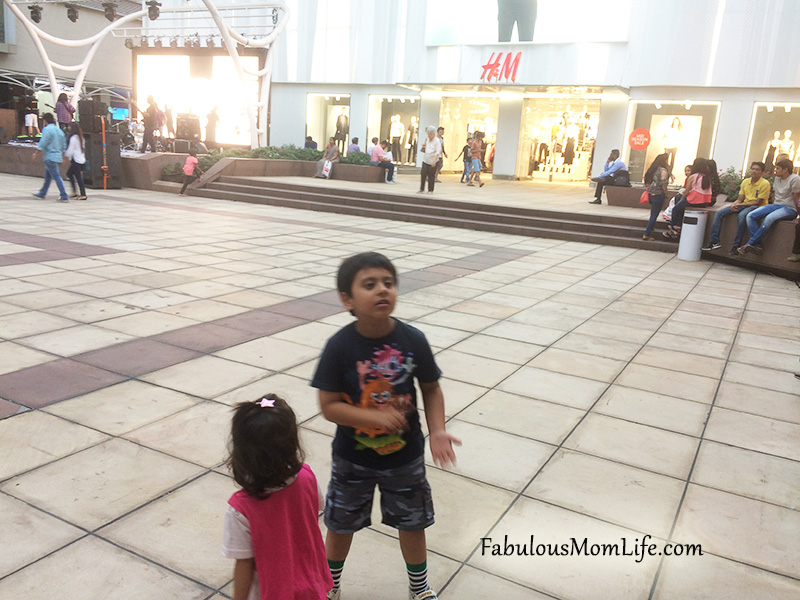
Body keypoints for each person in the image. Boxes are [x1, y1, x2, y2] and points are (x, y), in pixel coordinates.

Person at [312, 252, 460, 600]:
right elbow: (328, 406)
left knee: (413, 524)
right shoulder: (339, 346)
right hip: (352, 458)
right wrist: (373, 418)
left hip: (405, 457)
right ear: (347, 299)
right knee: (340, 524)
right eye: (369, 285)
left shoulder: (413, 340)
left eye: (388, 283)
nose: (382, 290)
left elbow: (431, 388)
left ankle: (419, 588)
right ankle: (329, 586)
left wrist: (437, 430)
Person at [222, 394, 332, 600]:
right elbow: (315, 508)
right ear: (293, 445)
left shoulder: (240, 509)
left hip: (273, 592)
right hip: (311, 584)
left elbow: (244, 563)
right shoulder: (307, 477)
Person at [702, 161, 769, 255]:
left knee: (742, 216)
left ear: (762, 172)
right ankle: (715, 241)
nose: (754, 171)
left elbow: (758, 202)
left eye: (757, 170)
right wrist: (734, 204)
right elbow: (740, 198)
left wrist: (740, 205)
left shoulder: (765, 183)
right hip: (745, 204)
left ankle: (736, 245)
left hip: (757, 207)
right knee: (719, 213)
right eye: (753, 169)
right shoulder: (746, 182)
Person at [739, 158, 800, 255]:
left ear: (786, 170)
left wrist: (799, 214)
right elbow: (775, 195)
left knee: (769, 218)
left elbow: (797, 198)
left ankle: (750, 243)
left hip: (789, 209)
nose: (775, 170)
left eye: (778, 168)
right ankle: (758, 246)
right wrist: (771, 206)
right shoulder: (777, 178)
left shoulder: (795, 179)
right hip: (776, 205)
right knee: (750, 215)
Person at [663, 157, 713, 239]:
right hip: (705, 201)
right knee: (683, 210)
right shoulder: (707, 177)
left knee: (676, 209)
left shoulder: (693, 177)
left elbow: (686, 191)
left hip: (694, 200)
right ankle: (678, 226)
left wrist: (682, 199)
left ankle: (673, 227)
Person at [31, 113, 68, 202]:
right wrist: (62, 157)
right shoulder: (59, 131)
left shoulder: (47, 130)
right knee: (48, 176)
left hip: (50, 156)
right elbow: (63, 145)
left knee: (56, 175)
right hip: (57, 156)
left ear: (45, 121)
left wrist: (35, 154)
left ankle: (63, 195)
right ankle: (42, 193)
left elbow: (43, 143)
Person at [642, 153, 671, 241]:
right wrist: (666, 194)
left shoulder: (653, 169)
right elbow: (663, 184)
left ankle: (651, 228)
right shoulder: (663, 171)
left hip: (651, 193)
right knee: (654, 215)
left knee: (653, 213)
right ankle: (647, 234)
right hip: (658, 194)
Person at [64, 122, 87, 201]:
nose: (68, 128)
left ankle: (83, 194)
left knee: (78, 177)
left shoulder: (73, 138)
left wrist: (66, 156)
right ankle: (74, 191)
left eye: (69, 126)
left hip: (76, 160)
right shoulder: (81, 137)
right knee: (70, 174)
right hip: (81, 160)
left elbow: (70, 149)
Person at [418, 126, 442, 194]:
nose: (428, 135)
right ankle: (422, 189)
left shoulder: (437, 141)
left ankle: (430, 190)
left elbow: (438, 151)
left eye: (430, 134)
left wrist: (434, 161)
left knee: (431, 176)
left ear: (433, 133)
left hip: (432, 160)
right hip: (425, 159)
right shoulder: (427, 139)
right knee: (423, 174)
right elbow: (426, 147)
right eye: (428, 133)